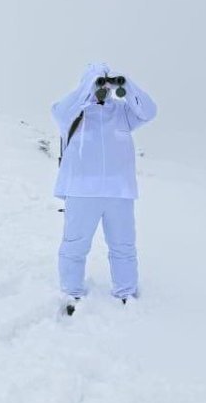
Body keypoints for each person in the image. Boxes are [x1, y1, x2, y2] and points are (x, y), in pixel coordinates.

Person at [52, 62, 157, 315]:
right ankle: (72, 290)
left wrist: (125, 84)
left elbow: (150, 111)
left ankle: (126, 292)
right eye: (99, 82)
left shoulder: (122, 112)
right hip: (81, 190)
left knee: (123, 245)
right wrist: (89, 85)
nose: (103, 88)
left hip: (119, 192)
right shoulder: (74, 113)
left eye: (105, 83)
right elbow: (58, 110)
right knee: (75, 244)